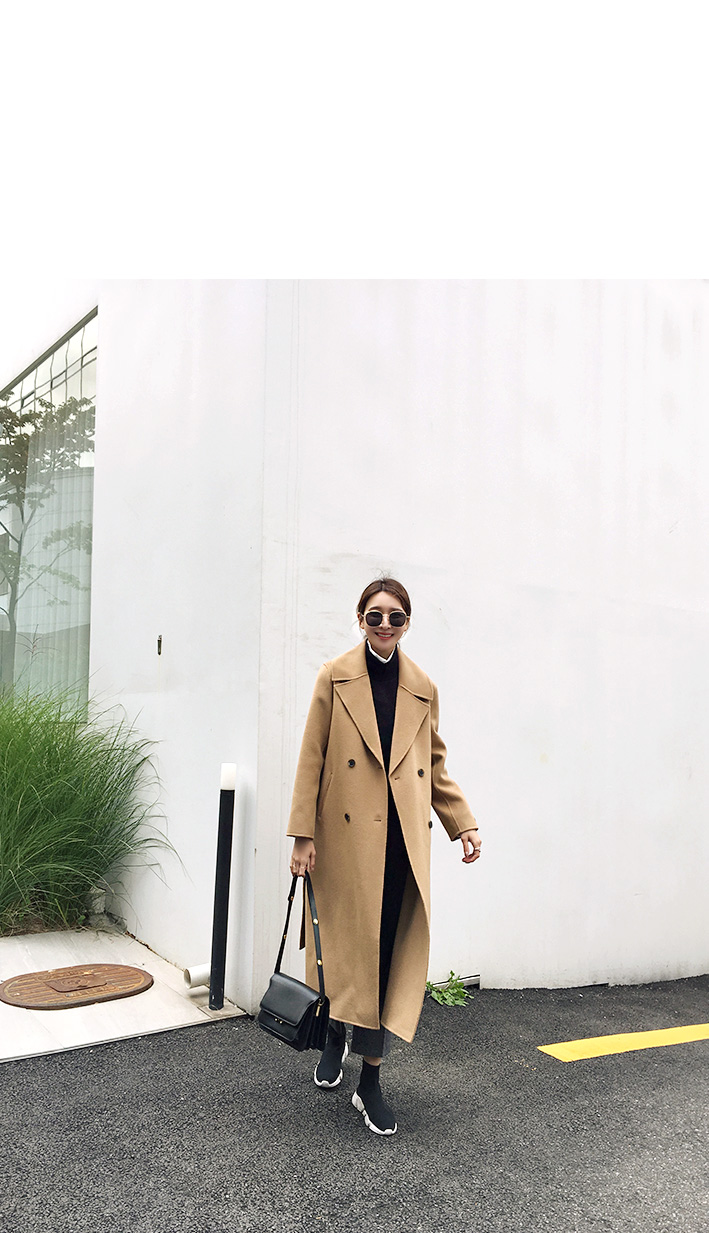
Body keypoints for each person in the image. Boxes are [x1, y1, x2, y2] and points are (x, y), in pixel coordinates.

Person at [287, 577, 481, 1136]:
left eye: (396, 617)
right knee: (341, 950)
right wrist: (302, 834)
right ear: (360, 619)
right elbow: (312, 757)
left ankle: (369, 1080)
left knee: (384, 957)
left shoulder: (422, 687)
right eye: (375, 616)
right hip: (344, 843)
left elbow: (434, 765)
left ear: (407, 623)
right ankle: (332, 1034)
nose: (385, 625)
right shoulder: (334, 676)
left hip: (400, 844)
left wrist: (462, 822)